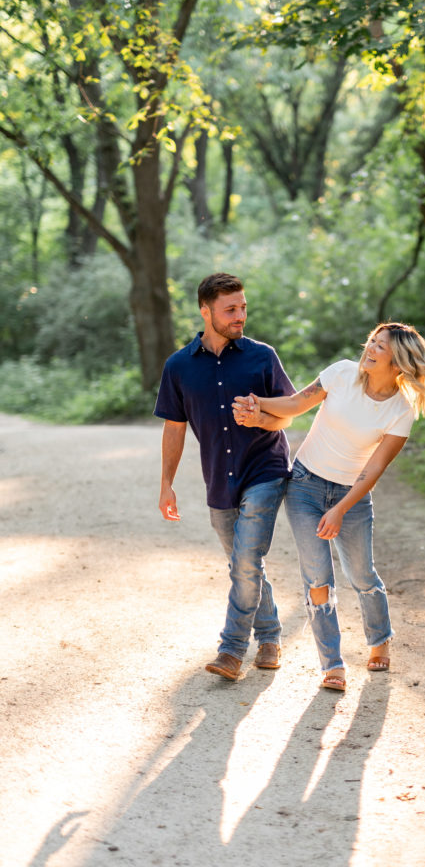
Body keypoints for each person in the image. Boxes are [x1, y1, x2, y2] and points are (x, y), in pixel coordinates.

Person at [232, 322, 425, 692]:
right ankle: (332, 665)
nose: (371, 349)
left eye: (381, 347)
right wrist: (259, 402)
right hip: (304, 486)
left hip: (353, 496)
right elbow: (298, 403)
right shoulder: (342, 373)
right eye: (372, 341)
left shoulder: (401, 409)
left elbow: (374, 468)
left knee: (363, 576)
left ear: (399, 363)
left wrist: (341, 509)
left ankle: (379, 641)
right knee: (318, 579)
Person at [154, 272, 296, 682]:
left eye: (243, 308)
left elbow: (288, 411)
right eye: (230, 309)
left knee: (247, 559)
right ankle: (270, 636)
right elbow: (175, 428)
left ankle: (232, 650)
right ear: (205, 311)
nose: (240, 316)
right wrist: (166, 483)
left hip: (265, 469)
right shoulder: (179, 366)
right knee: (244, 564)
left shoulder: (262, 356)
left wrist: (262, 415)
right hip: (219, 481)